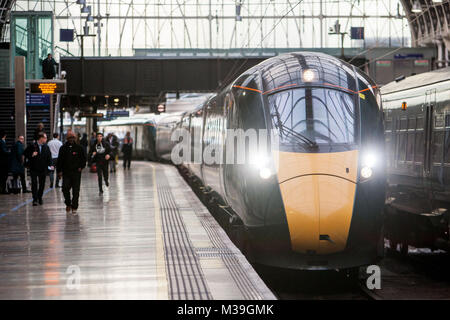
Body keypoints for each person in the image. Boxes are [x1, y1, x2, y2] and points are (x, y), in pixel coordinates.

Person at [57, 131, 86, 214]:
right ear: (67, 138)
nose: (71, 139)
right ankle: (68, 203)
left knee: (76, 191)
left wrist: (81, 167)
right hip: (66, 173)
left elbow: (83, 159)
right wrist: (59, 171)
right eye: (70, 138)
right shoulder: (63, 148)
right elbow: (60, 161)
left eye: (73, 137)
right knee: (65, 188)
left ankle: (74, 206)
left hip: (76, 172)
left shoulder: (79, 148)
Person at [24, 132, 52, 206]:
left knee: (42, 184)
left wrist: (50, 166)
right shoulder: (32, 145)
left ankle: (40, 197)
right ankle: (35, 199)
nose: (46, 139)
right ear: (41, 138)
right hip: (34, 168)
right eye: (45, 138)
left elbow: (49, 157)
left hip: (43, 169)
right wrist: (32, 154)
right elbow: (25, 153)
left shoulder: (46, 146)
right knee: (34, 184)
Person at [0, 129, 10, 194]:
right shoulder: (1, 142)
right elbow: (4, 151)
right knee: (3, 176)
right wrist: (9, 152)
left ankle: (3, 189)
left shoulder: (3, 141)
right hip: (3, 162)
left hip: (3, 162)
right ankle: (3, 189)